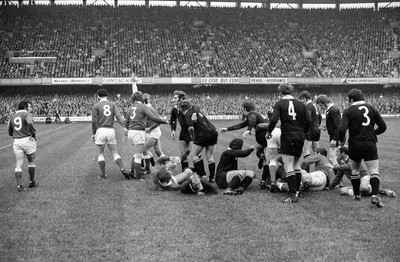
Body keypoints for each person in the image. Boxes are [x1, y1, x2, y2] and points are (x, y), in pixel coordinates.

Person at [339, 88, 387, 208]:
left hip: (355, 143)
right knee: (374, 170)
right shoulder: (371, 108)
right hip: (370, 143)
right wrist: (373, 133)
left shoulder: (348, 111)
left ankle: (356, 195)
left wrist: (342, 141)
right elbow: (383, 126)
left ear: (351, 99)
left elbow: (342, 129)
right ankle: (375, 195)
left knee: (355, 169)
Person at [267, 83, 311, 203]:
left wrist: (269, 131)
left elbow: (274, 119)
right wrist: (303, 131)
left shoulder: (280, 103)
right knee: (296, 164)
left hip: (287, 135)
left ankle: (292, 195)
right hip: (300, 135)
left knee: (288, 165)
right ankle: (296, 191)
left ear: (280, 92)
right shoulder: (301, 104)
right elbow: (308, 120)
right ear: (291, 92)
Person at [219, 101, 270, 187]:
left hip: (265, 138)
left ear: (245, 108)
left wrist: (249, 129)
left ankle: (264, 182)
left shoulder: (251, 114)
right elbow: (242, 124)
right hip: (265, 138)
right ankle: (263, 162)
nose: (242, 111)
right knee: (260, 151)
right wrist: (228, 129)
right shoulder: (256, 113)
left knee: (268, 159)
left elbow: (252, 120)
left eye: (242, 109)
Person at [124, 91, 168, 180]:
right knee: (139, 155)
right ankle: (138, 176)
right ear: (141, 98)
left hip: (131, 132)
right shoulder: (143, 107)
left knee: (139, 152)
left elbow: (126, 123)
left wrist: (125, 134)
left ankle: (132, 172)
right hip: (138, 132)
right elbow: (153, 117)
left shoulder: (130, 108)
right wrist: (164, 121)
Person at [91, 89, 129, 179]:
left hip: (100, 130)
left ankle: (103, 174)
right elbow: (118, 116)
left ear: (98, 96)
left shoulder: (96, 105)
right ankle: (122, 169)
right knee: (115, 153)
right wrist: (124, 126)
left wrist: (94, 133)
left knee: (100, 154)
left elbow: (94, 121)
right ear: (107, 96)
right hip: (110, 130)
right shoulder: (112, 104)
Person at [178, 99, 218, 182]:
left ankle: (203, 176)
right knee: (210, 156)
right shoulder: (195, 109)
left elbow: (191, 127)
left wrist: (192, 134)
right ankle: (212, 178)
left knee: (194, 155)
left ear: (181, 109)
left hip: (203, 133)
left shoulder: (187, 113)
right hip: (213, 132)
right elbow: (196, 106)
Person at [8, 101, 39, 191]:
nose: (30, 108)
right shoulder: (26, 114)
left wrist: (16, 134)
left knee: (19, 164)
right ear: (25, 107)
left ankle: (19, 186)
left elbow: (10, 131)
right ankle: (31, 182)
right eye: (29, 106)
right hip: (27, 140)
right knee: (31, 162)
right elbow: (29, 122)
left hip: (17, 141)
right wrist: (33, 134)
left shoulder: (12, 117)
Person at [142, 93, 165, 174]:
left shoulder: (150, 109)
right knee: (158, 151)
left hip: (154, 132)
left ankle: (147, 169)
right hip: (151, 131)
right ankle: (166, 167)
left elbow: (159, 121)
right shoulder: (144, 109)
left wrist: (150, 128)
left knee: (144, 149)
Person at [315, 94, 341, 166]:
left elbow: (338, 126)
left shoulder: (333, 110)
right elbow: (333, 124)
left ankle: (338, 175)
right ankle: (338, 175)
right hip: (333, 136)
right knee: (333, 158)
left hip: (335, 137)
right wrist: (326, 127)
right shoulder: (329, 110)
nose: (320, 108)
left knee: (332, 158)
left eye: (321, 105)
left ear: (325, 103)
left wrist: (335, 139)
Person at [170, 90, 193, 172]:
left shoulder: (189, 107)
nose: (173, 99)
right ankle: (184, 173)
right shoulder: (175, 109)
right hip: (183, 133)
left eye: (175, 98)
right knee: (183, 154)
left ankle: (201, 175)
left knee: (195, 155)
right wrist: (173, 130)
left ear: (181, 98)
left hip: (192, 132)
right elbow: (173, 120)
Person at [298, 91, 322, 160]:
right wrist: (318, 126)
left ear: (306, 98)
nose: (301, 101)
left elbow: (307, 119)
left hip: (310, 130)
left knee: (306, 151)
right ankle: (320, 167)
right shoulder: (315, 106)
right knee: (316, 151)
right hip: (317, 129)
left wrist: (304, 129)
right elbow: (320, 117)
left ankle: (307, 170)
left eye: (302, 99)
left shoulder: (308, 106)